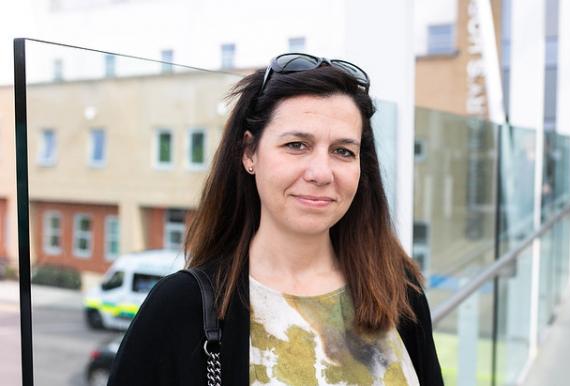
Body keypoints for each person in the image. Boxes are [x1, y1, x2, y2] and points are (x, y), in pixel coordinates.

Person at [107, 53, 443, 385]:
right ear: (249, 152)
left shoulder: (397, 292)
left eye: (343, 151)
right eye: (297, 145)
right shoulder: (181, 307)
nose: (321, 172)